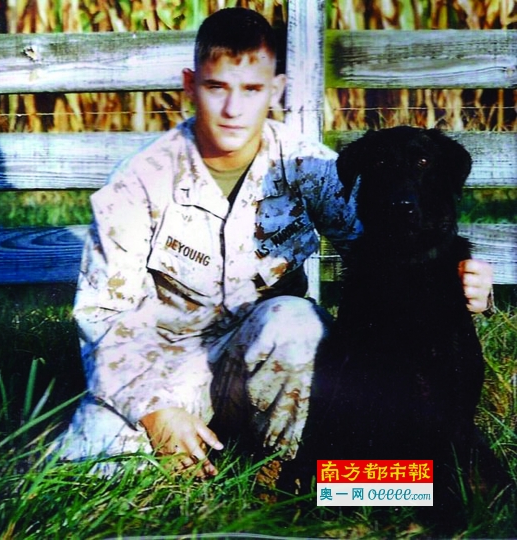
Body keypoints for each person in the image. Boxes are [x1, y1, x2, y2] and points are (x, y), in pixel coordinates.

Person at [52, 7, 493, 481]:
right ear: (190, 85)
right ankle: (188, 446)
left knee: (296, 321)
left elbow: (393, 241)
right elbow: (103, 317)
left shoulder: (304, 166)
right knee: (91, 469)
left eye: (251, 89)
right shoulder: (137, 184)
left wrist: (467, 280)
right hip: (166, 367)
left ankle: (292, 478)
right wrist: (154, 410)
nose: (233, 109)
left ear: (275, 90)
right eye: (216, 87)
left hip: (268, 358)